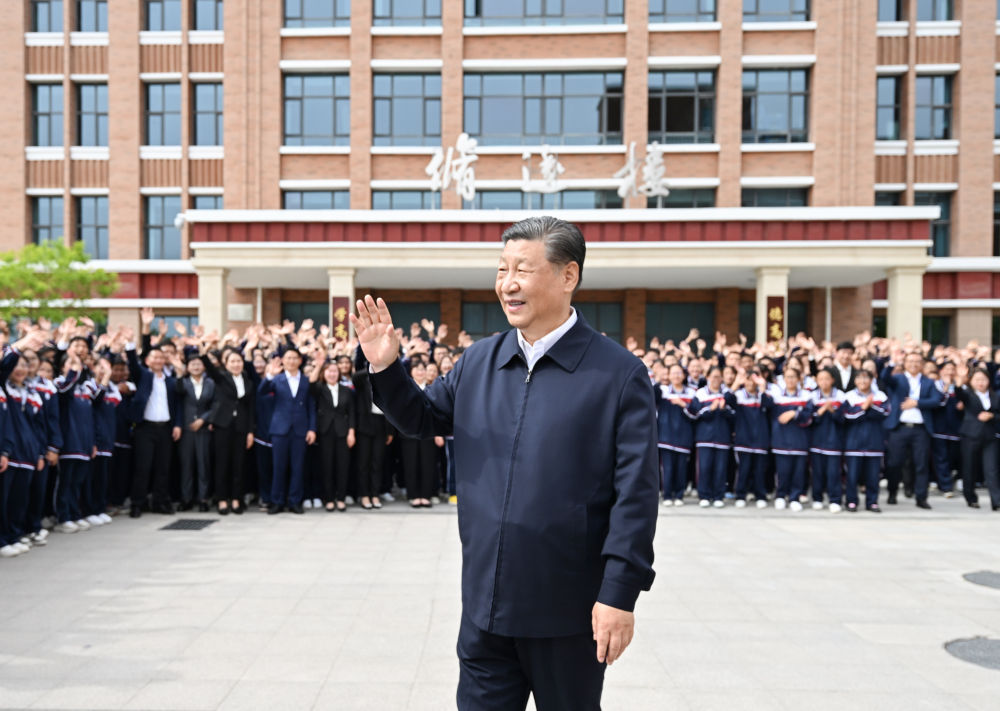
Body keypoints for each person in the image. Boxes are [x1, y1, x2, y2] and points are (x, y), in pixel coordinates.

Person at [352, 216, 657, 711]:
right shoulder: (479, 361)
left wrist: (619, 594)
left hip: (568, 615)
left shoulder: (617, 375)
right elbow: (421, 418)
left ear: (568, 275)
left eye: (522, 270)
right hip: (485, 610)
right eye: (501, 269)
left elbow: (637, 496)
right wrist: (385, 366)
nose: (507, 284)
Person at [881, 352, 944, 509]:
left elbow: (937, 400)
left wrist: (917, 403)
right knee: (894, 463)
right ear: (905, 363)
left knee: (921, 464)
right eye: (910, 361)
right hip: (899, 427)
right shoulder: (898, 378)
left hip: (920, 429)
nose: (914, 364)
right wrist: (891, 363)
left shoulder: (929, 382)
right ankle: (892, 493)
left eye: (917, 361)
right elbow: (884, 378)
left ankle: (921, 497)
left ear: (922, 364)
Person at [259, 349, 316, 515]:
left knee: (298, 468)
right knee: (278, 467)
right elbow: (261, 392)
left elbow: (311, 406)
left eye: (294, 358)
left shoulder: (306, 380)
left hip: (300, 430)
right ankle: (277, 501)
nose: (291, 361)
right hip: (280, 430)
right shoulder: (276, 379)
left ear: (300, 361)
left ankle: (295, 501)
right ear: (283, 360)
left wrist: (312, 428)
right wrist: (270, 375)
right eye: (288, 358)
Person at [203, 349, 255, 515]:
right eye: (232, 361)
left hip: (241, 427)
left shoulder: (247, 379)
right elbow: (210, 368)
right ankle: (222, 499)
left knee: (238, 464)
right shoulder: (222, 378)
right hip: (222, 426)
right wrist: (203, 352)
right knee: (222, 464)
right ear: (226, 364)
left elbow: (250, 408)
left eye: (239, 361)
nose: (236, 364)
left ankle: (236, 499)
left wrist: (250, 431)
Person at [309, 360, 356, 511]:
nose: (332, 374)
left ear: (339, 373)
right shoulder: (320, 389)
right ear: (324, 373)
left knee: (343, 466)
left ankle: (341, 498)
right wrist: (318, 365)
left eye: (335, 371)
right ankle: (329, 498)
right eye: (329, 371)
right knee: (326, 466)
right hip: (325, 432)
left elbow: (352, 413)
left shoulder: (346, 390)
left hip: (343, 432)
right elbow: (311, 383)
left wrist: (351, 432)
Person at [953, 365, 1000, 510]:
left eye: (983, 379)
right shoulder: (968, 395)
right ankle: (971, 497)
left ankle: (996, 501)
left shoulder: (995, 396)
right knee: (969, 468)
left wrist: (991, 416)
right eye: (977, 379)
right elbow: (959, 393)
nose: (981, 382)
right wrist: (960, 381)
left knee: (992, 469)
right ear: (971, 381)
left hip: (990, 437)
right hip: (970, 436)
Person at [688, 366, 735, 509]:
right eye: (713, 376)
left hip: (723, 437)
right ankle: (704, 496)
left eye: (719, 377)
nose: (716, 379)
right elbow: (694, 413)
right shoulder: (701, 393)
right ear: (707, 377)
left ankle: (718, 496)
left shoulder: (727, 394)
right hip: (704, 438)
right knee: (704, 468)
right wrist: (711, 408)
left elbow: (734, 414)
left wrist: (724, 409)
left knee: (720, 469)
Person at [842, 369, 888, 512]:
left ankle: (872, 502)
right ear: (855, 381)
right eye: (859, 378)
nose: (863, 381)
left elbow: (885, 412)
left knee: (873, 476)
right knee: (852, 475)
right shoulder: (849, 396)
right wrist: (863, 408)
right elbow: (848, 415)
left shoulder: (880, 395)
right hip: (854, 442)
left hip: (874, 441)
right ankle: (851, 501)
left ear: (872, 380)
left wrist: (870, 407)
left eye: (866, 378)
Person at [352, 348, 392, 511]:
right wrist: (371, 365)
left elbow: (391, 407)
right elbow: (355, 377)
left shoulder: (388, 379)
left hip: (382, 425)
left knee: (377, 462)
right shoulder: (364, 378)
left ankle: (375, 494)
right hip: (365, 424)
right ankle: (364, 495)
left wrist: (390, 431)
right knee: (364, 463)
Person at [175, 355, 215, 513]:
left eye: (199, 364)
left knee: (203, 464)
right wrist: (179, 374)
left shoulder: (211, 383)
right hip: (186, 429)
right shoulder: (183, 382)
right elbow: (178, 392)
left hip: (203, 429)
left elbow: (215, 404)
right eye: (192, 364)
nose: (196, 367)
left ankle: (203, 499)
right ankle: (186, 499)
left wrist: (204, 419)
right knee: (187, 465)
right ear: (187, 367)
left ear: (204, 367)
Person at [769, 367, 812, 512]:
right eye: (788, 377)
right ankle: (781, 496)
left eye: (793, 376)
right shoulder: (777, 396)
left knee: (798, 473)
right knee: (782, 472)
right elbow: (770, 411)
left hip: (800, 440)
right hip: (781, 440)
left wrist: (794, 413)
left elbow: (809, 416)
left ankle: (794, 497)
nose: (790, 380)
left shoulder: (806, 395)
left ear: (799, 379)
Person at [653, 363, 696, 507]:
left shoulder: (691, 392)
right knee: (667, 469)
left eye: (679, 373)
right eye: (673, 373)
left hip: (684, 437)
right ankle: (667, 495)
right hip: (666, 437)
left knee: (681, 469)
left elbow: (695, 414)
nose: (676, 376)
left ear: (684, 376)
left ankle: (679, 495)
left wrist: (683, 404)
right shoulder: (663, 390)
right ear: (669, 375)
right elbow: (652, 397)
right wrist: (658, 379)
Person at [398, 360, 439, 509]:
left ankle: (426, 495)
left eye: (422, 369)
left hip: (429, 432)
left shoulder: (433, 389)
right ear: (411, 372)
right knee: (411, 464)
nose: (420, 372)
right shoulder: (405, 389)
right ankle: (414, 495)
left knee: (428, 464)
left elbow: (437, 411)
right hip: (409, 433)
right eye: (417, 369)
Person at [731, 368, 771, 509]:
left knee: (760, 471)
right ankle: (740, 495)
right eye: (748, 380)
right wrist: (736, 383)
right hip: (743, 439)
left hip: (760, 439)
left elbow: (769, 405)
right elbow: (727, 400)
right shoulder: (739, 395)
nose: (751, 383)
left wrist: (762, 387)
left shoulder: (763, 395)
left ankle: (760, 495)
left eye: (754, 380)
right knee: (744, 469)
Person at [808, 368, 846, 513]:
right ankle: (817, 499)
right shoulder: (812, 396)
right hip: (816, 441)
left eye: (827, 379)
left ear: (832, 380)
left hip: (834, 441)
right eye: (821, 379)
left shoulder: (840, 396)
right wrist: (822, 410)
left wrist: (832, 410)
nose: (824, 382)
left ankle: (835, 499)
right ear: (817, 381)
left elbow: (843, 419)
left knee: (833, 473)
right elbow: (809, 419)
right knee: (817, 473)